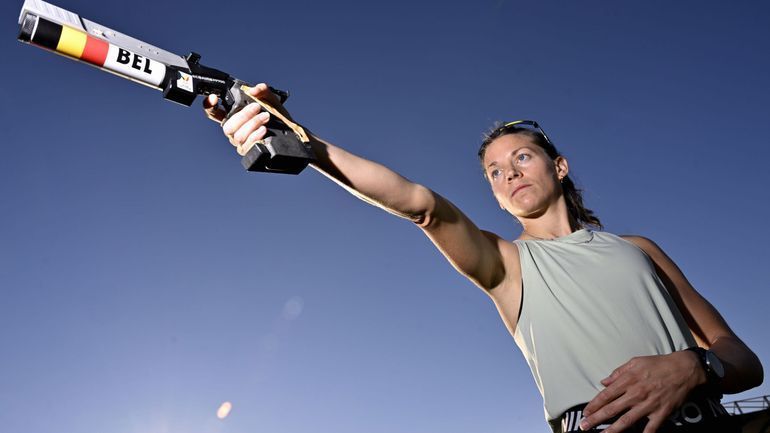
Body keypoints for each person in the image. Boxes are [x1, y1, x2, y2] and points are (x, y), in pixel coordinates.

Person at [203, 84, 764, 433]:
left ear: (559, 167)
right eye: (495, 171)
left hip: (703, 417)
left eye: (521, 157)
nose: (510, 172)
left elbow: (741, 359)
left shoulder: (638, 250)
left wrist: (696, 365)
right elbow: (421, 205)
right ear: (494, 195)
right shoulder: (507, 267)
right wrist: (303, 141)